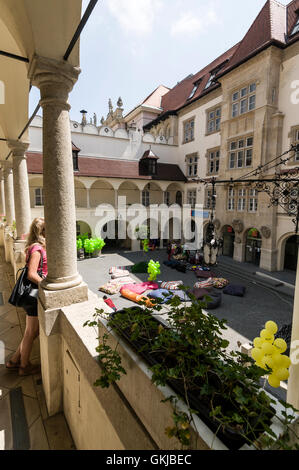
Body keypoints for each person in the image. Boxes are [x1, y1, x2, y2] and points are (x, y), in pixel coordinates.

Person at [6, 217, 47, 376]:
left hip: (31, 296)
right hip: (34, 295)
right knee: (31, 333)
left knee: (32, 332)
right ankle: (24, 367)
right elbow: (31, 274)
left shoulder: (34, 247)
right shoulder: (37, 249)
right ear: (42, 231)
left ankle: (14, 360)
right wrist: (45, 284)